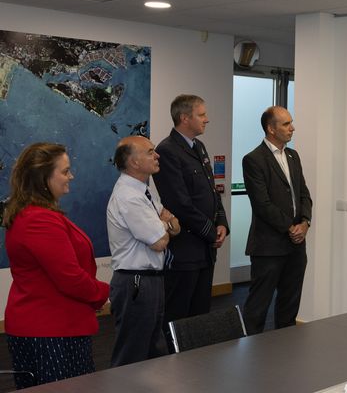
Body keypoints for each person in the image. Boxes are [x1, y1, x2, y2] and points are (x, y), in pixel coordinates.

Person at [1, 142, 110, 389]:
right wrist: (104, 292)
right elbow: (69, 277)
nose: (71, 176)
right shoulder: (39, 220)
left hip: (49, 329)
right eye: (65, 171)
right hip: (51, 333)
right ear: (43, 178)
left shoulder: (34, 214)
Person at [152, 94, 229, 344]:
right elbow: (179, 204)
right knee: (178, 317)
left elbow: (211, 191)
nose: (207, 119)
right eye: (202, 114)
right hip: (185, 250)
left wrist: (221, 224)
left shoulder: (198, 146)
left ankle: (198, 368)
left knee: (200, 314)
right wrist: (210, 232)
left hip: (205, 249)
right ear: (185, 118)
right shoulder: (167, 150)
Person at [107, 136, 180, 366]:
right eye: (150, 152)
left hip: (150, 280)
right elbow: (160, 241)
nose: (157, 155)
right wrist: (165, 224)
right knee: (132, 354)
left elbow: (174, 224)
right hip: (136, 283)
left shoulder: (144, 190)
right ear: (134, 162)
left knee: (154, 349)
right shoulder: (128, 196)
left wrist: (165, 224)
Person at [242, 106, 312, 334]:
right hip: (268, 245)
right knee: (258, 307)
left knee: (289, 305)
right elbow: (262, 204)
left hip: (295, 245)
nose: (292, 128)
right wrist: (290, 227)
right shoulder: (253, 159)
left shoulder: (293, 156)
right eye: (286, 124)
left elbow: (304, 194)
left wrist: (305, 223)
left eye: (291, 122)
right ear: (271, 129)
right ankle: (250, 354)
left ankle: (285, 352)